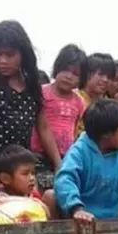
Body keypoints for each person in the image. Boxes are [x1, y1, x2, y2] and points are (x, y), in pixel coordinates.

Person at [0, 20, 59, 185]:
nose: (3, 61)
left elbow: (43, 129)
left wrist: (59, 164)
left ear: (23, 54)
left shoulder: (32, 85)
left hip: (22, 168)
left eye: (10, 55)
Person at [53, 99, 118, 225]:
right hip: (79, 222)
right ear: (106, 133)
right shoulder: (79, 152)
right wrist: (76, 209)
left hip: (111, 221)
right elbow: (65, 179)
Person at [29, 44, 86, 191]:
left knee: (64, 189)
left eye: (75, 74)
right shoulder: (42, 93)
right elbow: (40, 126)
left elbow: (74, 130)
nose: (69, 76)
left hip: (65, 156)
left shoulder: (79, 101)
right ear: (56, 68)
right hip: (39, 155)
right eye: (65, 70)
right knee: (44, 188)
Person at [75, 52, 116, 137]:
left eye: (109, 77)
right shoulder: (74, 98)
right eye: (101, 74)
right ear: (87, 73)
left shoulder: (108, 105)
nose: (105, 80)